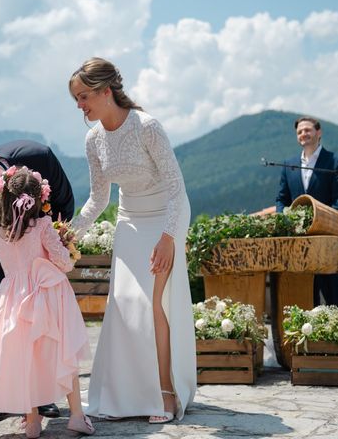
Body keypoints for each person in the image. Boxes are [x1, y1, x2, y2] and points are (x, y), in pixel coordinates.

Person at [69, 57, 196, 423]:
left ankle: (166, 393)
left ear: (106, 91)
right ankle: (125, 395)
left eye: (83, 97)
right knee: (125, 304)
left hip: (166, 219)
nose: (80, 106)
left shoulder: (147, 127)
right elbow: (98, 199)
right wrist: (68, 235)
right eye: (76, 99)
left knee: (154, 305)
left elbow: (177, 188)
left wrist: (169, 238)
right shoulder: (93, 139)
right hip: (129, 223)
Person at [0, 140, 74, 424]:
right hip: (6, 249)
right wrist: (11, 274)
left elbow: (64, 203)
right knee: (3, 317)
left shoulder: (37, 156)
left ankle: (42, 396)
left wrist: (54, 239)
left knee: (42, 323)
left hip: (44, 245)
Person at [0, 167, 95, 438]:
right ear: (40, 199)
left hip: (14, 301)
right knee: (64, 354)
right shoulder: (42, 228)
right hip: (48, 297)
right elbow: (64, 263)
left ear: (5, 199)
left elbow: (10, 269)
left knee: (27, 360)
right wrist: (66, 248)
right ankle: (76, 415)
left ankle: (32, 422)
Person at [275, 116, 338, 308]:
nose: (303, 134)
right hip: (298, 243)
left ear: (319, 132)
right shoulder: (288, 164)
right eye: (299, 132)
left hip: (327, 240)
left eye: (307, 130)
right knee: (304, 296)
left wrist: (324, 223)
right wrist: (286, 218)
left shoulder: (335, 161)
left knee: (334, 296)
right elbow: (281, 199)